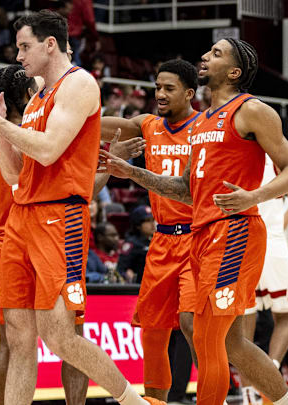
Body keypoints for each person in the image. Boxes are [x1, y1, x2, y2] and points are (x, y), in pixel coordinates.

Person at [0, 10, 160, 405]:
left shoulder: (79, 84)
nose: (18, 56)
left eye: (25, 46)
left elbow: (48, 153)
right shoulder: (35, 99)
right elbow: (14, 173)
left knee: (60, 336)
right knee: (17, 338)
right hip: (21, 215)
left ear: (50, 44)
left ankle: (133, 402)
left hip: (58, 217)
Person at [97, 38, 288, 405]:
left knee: (208, 339)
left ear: (235, 71)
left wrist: (253, 196)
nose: (205, 57)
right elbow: (186, 190)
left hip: (236, 231)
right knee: (231, 343)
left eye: (217, 53)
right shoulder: (204, 121)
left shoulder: (252, 110)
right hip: (203, 233)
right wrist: (133, 172)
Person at [0, 64, 89, 405]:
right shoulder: (47, 134)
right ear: (26, 95)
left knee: (9, 343)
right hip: (52, 239)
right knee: (72, 338)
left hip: (7, 248)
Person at [99, 58, 200, 401]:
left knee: (191, 323)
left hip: (198, 238)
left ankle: (215, 390)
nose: (160, 94)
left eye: (168, 89)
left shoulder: (205, 128)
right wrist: (63, 115)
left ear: (189, 93)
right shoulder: (146, 124)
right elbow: (97, 126)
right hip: (161, 239)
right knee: (153, 334)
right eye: (157, 87)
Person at [240, 157, 288, 405]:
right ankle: (271, 372)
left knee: (244, 324)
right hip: (272, 244)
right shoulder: (276, 156)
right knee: (286, 317)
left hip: (241, 243)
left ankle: (248, 392)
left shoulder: (231, 151)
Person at [117, 205, 155, 284]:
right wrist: (127, 274)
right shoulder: (131, 243)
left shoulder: (156, 240)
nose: (152, 224)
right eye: (147, 221)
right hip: (138, 286)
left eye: (153, 220)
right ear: (138, 225)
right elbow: (121, 269)